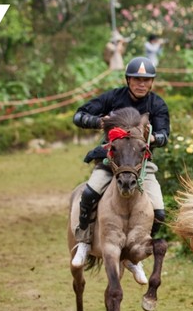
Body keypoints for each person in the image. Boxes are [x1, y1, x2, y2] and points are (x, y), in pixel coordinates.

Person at [71, 56, 170, 280]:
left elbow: (165, 135)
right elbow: (79, 115)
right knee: (88, 193)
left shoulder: (157, 104)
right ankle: (84, 242)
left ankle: (133, 257)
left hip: (140, 166)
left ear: (152, 82)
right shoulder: (113, 97)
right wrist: (99, 122)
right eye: (136, 79)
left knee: (161, 211)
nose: (141, 84)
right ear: (128, 80)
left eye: (146, 80)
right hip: (111, 161)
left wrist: (152, 137)